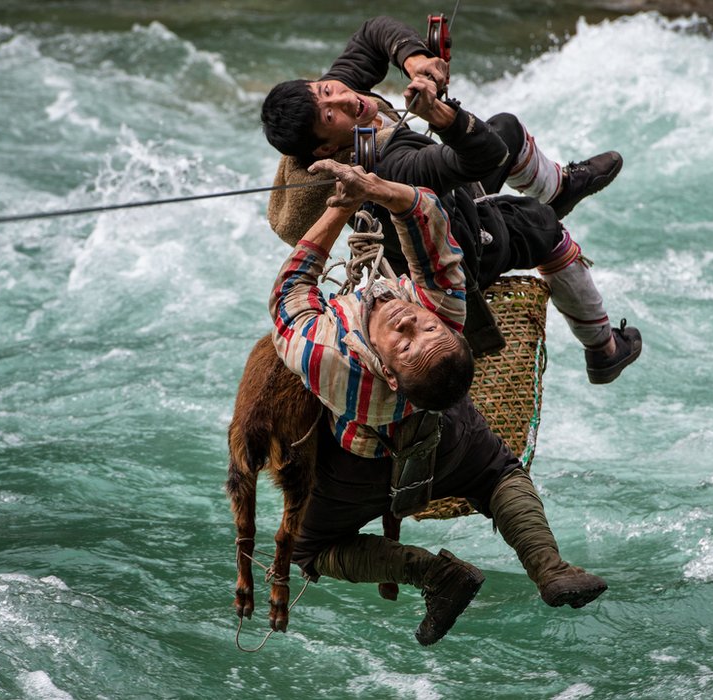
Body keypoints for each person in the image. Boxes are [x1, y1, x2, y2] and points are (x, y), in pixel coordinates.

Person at [270, 159, 608, 646]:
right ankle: (550, 569)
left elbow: (291, 290)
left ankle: (435, 576)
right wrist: (377, 188)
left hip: (358, 471)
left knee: (310, 548)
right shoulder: (446, 307)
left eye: (409, 340)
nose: (410, 321)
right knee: (498, 474)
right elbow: (427, 218)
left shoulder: (331, 359)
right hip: (449, 440)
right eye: (423, 328)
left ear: (387, 371)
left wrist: (343, 206)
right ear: (450, 327)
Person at [261, 15, 641, 385]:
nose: (345, 98)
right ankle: (604, 351)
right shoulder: (390, 165)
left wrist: (416, 60)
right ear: (326, 147)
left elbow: (373, 33)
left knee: (506, 128)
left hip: (441, 203)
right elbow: (483, 157)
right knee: (542, 225)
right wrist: (442, 116)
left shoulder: (343, 110)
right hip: (456, 248)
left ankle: (560, 188)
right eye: (331, 114)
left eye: (326, 89)